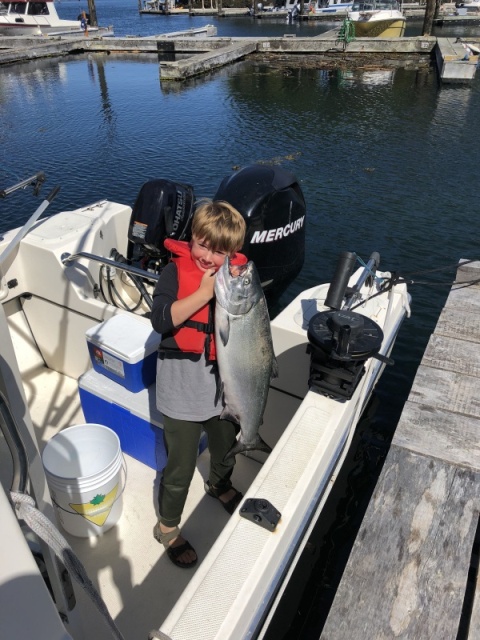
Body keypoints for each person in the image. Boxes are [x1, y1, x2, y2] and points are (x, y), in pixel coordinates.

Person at [150, 200, 247, 569]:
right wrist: (204, 294)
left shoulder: (237, 279)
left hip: (222, 392)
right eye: (202, 245)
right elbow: (160, 320)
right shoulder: (174, 274)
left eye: (220, 251)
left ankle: (219, 484)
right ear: (191, 238)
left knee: (225, 447)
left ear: (233, 253)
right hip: (180, 394)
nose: (207, 257)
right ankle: (168, 527)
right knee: (180, 467)